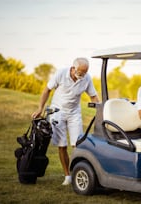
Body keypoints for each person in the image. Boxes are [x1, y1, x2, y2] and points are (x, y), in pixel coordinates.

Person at [32, 57, 99, 185]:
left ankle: (77, 173)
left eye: (85, 73)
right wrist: (40, 108)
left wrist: (101, 110)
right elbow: (47, 90)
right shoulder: (61, 73)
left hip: (74, 113)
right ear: (73, 68)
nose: (83, 76)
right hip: (58, 112)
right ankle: (67, 176)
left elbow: (93, 96)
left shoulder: (86, 78)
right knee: (62, 145)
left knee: (77, 145)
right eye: (80, 73)